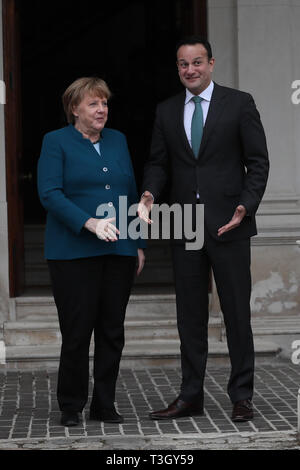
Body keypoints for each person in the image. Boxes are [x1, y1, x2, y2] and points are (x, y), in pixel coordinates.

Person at [138, 36, 269, 422]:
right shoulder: (165, 111)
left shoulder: (239, 103)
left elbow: (258, 161)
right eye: (182, 64)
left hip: (230, 224)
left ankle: (242, 395)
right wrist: (148, 192)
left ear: (211, 63)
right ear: (177, 68)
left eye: (197, 62)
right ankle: (190, 395)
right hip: (185, 226)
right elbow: (159, 163)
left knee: (236, 314)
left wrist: (246, 206)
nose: (190, 70)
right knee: (189, 316)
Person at [38, 77, 145, 427]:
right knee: (77, 329)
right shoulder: (55, 142)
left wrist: (137, 243)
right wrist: (89, 223)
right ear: (75, 109)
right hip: (72, 252)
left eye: (104, 104)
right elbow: (50, 194)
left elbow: (128, 194)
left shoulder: (118, 140)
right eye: (93, 104)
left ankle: (104, 403)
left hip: (119, 251)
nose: (101, 110)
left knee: (112, 330)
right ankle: (71, 404)